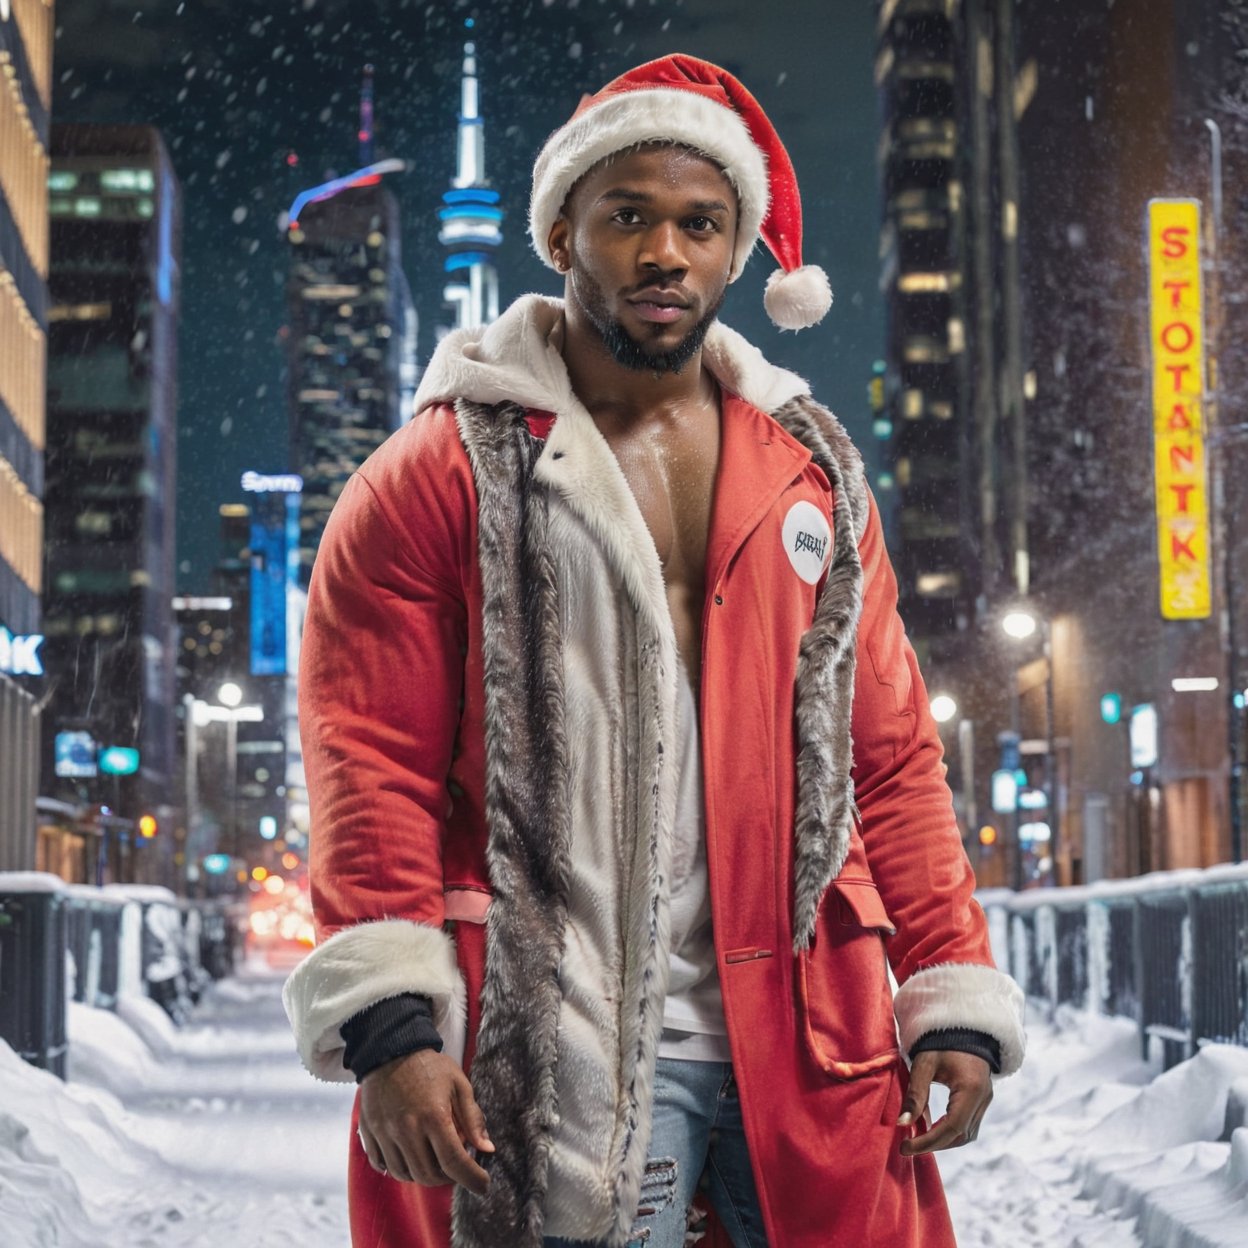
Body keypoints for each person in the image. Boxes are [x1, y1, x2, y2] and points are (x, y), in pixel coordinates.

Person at [284, 54, 1026, 1248]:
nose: (664, 253)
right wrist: (391, 1027)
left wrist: (949, 985)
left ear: (740, 252)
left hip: (805, 1032)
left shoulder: (815, 476)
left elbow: (889, 760)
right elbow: (370, 762)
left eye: (699, 223)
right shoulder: (436, 475)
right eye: (627, 216)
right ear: (561, 235)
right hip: (553, 1043)